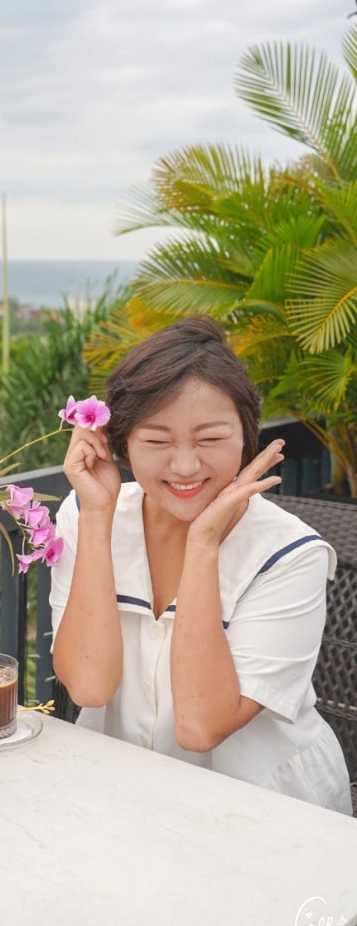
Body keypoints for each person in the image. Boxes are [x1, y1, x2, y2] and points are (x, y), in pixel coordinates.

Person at [50, 315, 352, 814]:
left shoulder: (293, 555)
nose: (185, 466)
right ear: (120, 443)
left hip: (269, 809)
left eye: (210, 439)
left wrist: (203, 543)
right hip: (123, 792)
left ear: (245, 438)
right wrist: (98, 517)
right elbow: (88, 686)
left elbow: (200, 725)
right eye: (157, 441)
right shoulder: (88, 513)